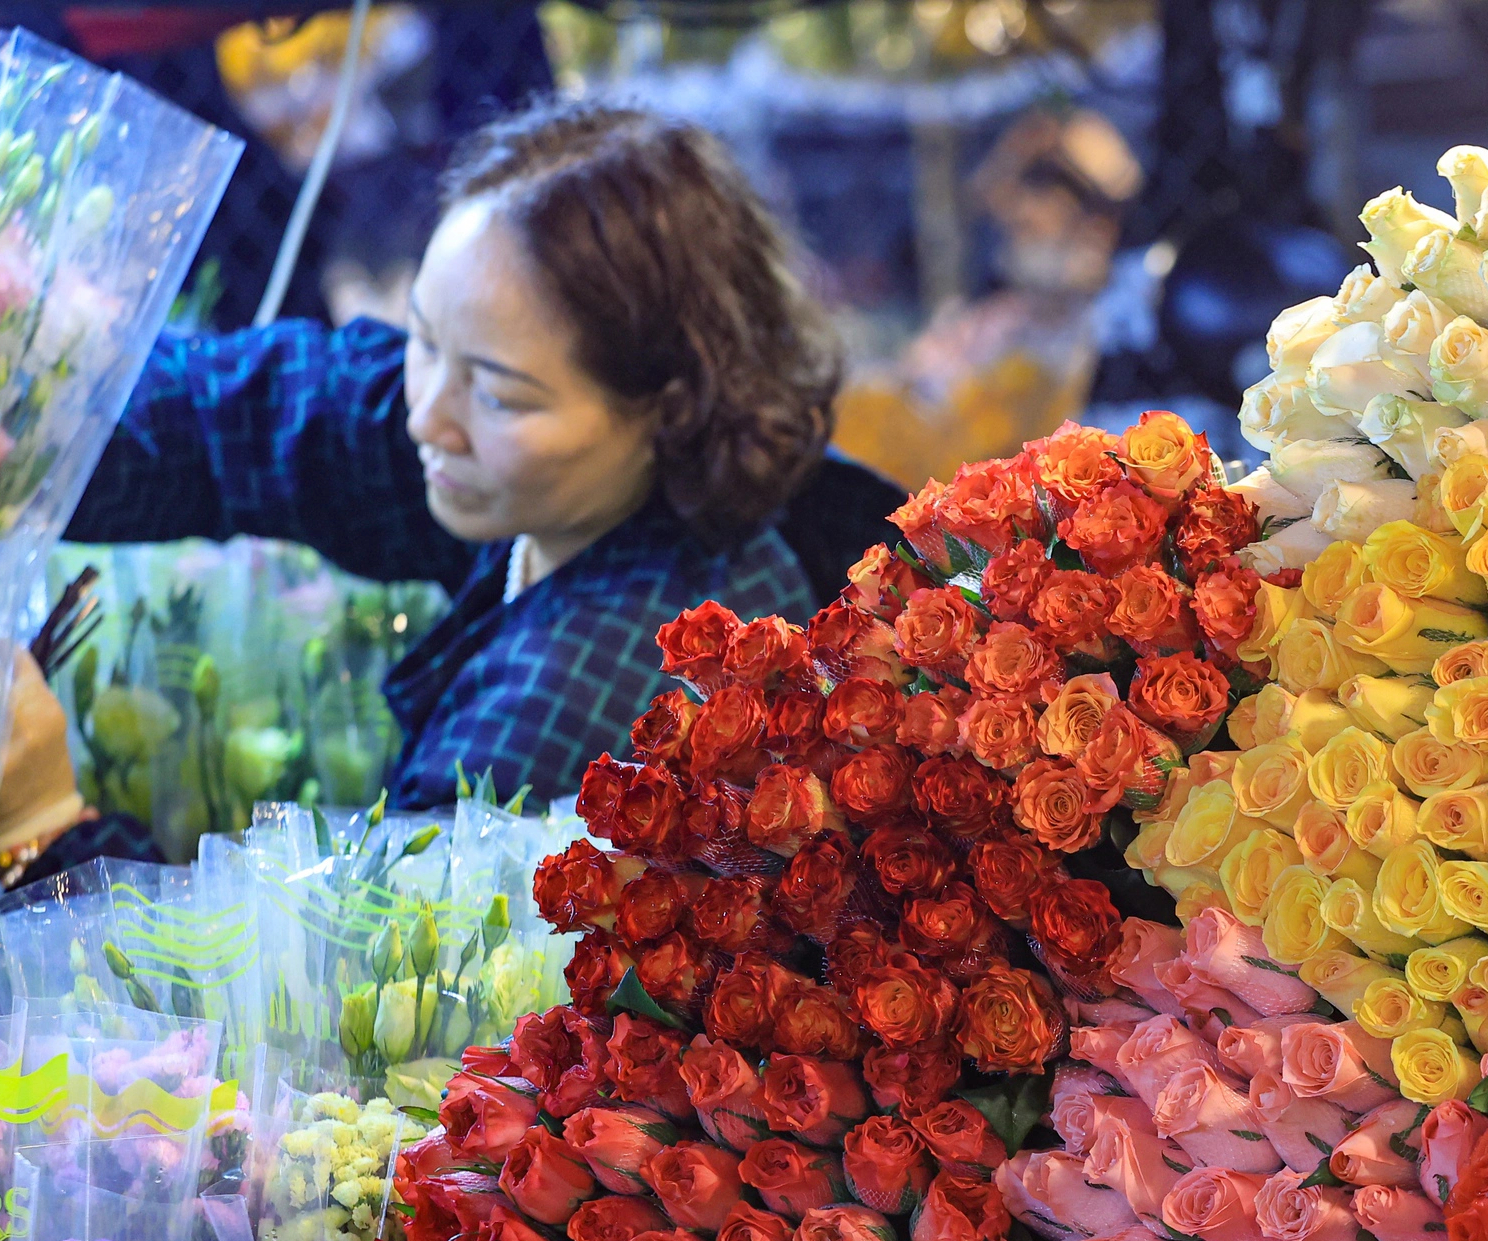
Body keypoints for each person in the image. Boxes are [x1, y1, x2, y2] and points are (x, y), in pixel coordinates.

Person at [65, 101, 898, 808]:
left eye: (497, 395)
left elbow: (392, 957)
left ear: (667, 405)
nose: (428, 417)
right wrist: (20, 404)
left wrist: (43, 825)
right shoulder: (570, 488)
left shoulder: (587, 685)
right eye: (424, 339)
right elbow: (284, 409)